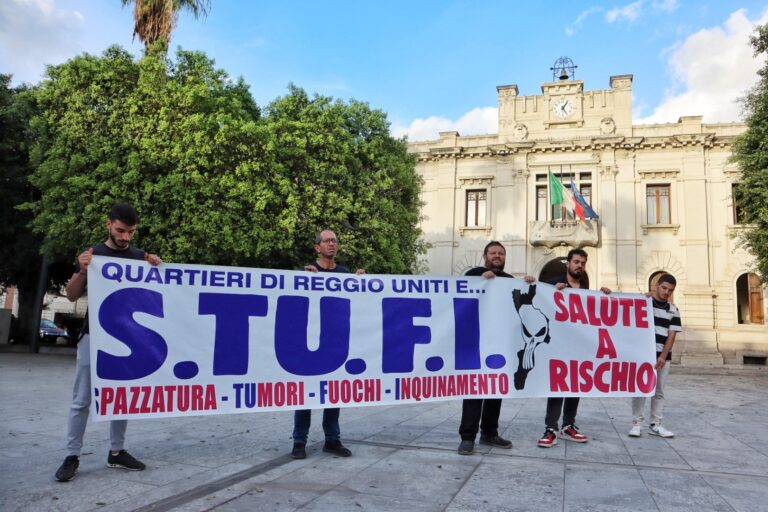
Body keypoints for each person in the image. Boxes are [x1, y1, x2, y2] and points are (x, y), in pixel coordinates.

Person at [55, 204, 162, 482]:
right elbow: (71, 295)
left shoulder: (140, 257)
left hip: (130, 340)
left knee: (122, 397)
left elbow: (160, 290)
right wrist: (81, 270)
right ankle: (72, 455)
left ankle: (117, 451)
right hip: (94, 335)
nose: (126, 237)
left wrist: (158, 267)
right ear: (108, 225)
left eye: (131, 232)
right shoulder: (93, 254)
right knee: (82, 400)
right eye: (120, 231)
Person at [291, 229, 364, 460]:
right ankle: (299, 441)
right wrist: (304, 278)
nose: (332, 244)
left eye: (335, 240)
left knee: (334, 393)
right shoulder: (307, 271)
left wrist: (362, 283)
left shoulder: (344, 273)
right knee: (305, 394)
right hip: (309, 343)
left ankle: (332, 440)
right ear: (317, 248)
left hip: (336, 342)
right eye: (327, 241)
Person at [458, 241, 535, 455]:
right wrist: (480, 281)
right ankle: (467, 437)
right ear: (485, 255)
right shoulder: (473, 274)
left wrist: (528, 284)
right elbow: (462, 297)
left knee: (495, 388)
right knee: (475, 388)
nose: (497, 256)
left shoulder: (510, 281)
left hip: (501, 343)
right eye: (493, 252)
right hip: (477, 341)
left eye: (501, 253)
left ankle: (489, 433)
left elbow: (522, 305)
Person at [538, 248, 611, 448]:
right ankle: (550, 427)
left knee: (575, 385)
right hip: (558, 345)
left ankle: (568, 425)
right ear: (568, 263)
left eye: (583, 263)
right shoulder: (553, 284)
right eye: (576, 261)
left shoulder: (585, 287)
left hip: (579, 346)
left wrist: (605, 296)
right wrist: (551, 291)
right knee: (558, 385)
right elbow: (536, 300)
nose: (579, 265)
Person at [628, 273, 681, 438]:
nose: (666, 292)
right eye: (664, 288)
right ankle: (637, 424)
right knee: (641, 389)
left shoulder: (673, 309)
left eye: (670, 290)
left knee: (659, 391)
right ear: (656, 285)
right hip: (643, 355)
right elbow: (623, 309)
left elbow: (672, 335)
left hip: (663, 357)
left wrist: (663, 356)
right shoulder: (644, 304)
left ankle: (656, 424)